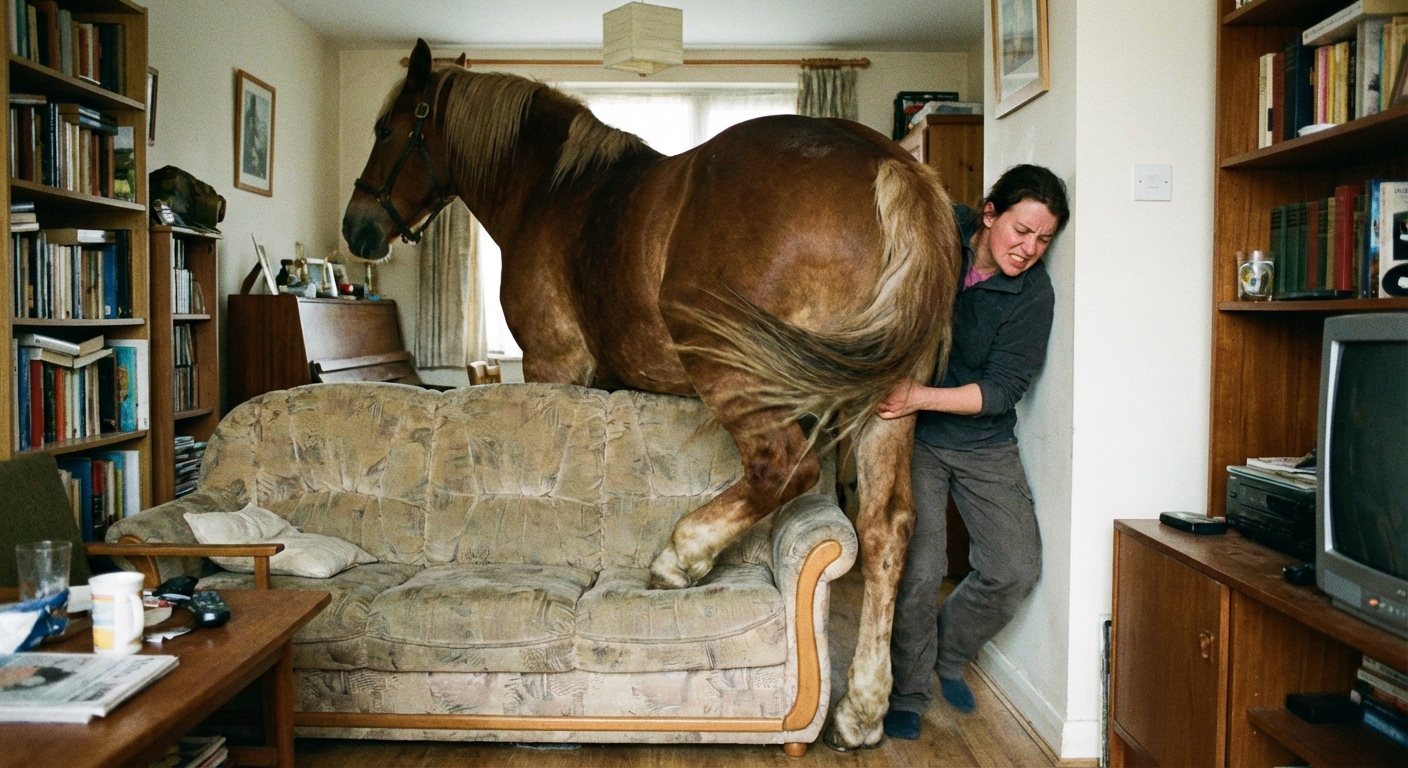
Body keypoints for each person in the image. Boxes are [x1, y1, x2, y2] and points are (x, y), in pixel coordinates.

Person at [877, 164, 1070, 740]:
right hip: (917, 440)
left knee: (1014, 568)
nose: (1029, 249)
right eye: (1020, 230)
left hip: (982, 441)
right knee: (921, 567)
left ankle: (947, 646)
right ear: (989, 214)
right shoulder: (941, 232)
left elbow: (1002, 391)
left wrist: (917, 395)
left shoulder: (1033, 294)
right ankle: (908, 692)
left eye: (1044, 239)